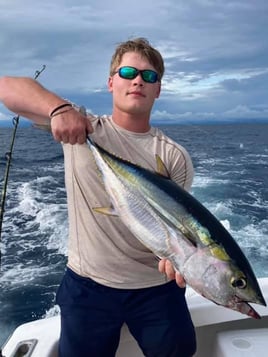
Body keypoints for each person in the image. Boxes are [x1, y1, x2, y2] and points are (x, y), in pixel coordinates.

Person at [0, 38, 197, 357]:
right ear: (111, 82)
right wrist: (59, 109)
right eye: (128, 72)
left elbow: (176, 226)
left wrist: (178, 258)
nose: (138, 81)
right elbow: (7, 88)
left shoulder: (173, 157)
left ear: (158, 90)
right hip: (88, 286)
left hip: (156, 289)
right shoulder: (81, 129)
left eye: (149, 77)